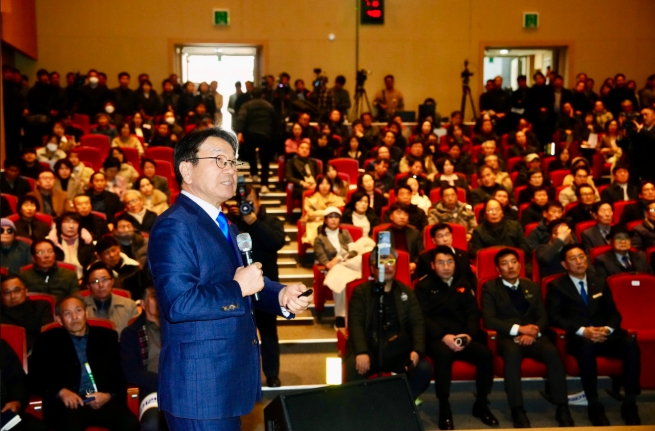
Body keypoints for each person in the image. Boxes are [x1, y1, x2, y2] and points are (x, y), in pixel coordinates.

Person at [147, 128, 311, 429]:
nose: (230, 170)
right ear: (186, 170)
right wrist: (237, 287)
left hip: (226, 381)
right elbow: (179, 304)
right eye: (219, 160)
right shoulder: (174, 225)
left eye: (233, 162)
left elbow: (246, 281)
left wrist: (280, 295)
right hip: (199, 389)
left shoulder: (225, 224)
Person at [546, 244, 642, 426]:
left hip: (603, 335)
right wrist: (583, 331)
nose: (579, 261)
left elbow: (614, 314)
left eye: (582, 257)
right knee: (588, 347)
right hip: (578, 338)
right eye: (573, 258)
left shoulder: (599, 282)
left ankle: (630, 403)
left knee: (630, 343)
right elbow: (554, 317)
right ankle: (594, 404)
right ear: (564, 264)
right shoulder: (557, 286)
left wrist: (607, 329)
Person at [481, 248, 573, 428]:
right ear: (498, 269)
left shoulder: (532, 286)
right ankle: (517, 409)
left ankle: (562, 406)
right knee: (512, 354)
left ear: (520, 265)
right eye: (505, 263)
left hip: (534, 336)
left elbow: (543, 316)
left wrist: (534, 332)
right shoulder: (490, 287)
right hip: (507, 337)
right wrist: (520, 329)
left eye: (514, 262)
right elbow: (489, 319)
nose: (510, 266)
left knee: (552, 352)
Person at [30, 295, 141, 431]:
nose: (74, 317)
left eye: (78, 310)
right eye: (68, 313)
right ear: (59, 319)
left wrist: (107, 395)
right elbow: (36, 376)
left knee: (131, 425)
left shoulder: (107, 337)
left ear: (86, 313)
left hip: (102, 400)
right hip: (67, 405)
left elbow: (119, 374)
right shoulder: (47, 341)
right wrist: (61, 391)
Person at [415, 246, 496, 429]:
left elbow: (473, 313)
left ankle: (482, 404)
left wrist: (469, 335)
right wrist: (444, 336)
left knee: (485, 354)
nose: (446, 267)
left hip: (462, 336)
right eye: (441, 262)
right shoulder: (423, 286)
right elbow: (422, 317)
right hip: (436, 339)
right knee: (444, 355)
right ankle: (444, 407)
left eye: (450, 262)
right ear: (433, 265)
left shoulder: (463, 283)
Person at [344, 247, 432, 400]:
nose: (387, 266)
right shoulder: (361, 292)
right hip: (370, 348)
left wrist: (417, 351)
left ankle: (401, 403)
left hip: (397, 349)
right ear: (372, 268)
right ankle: (359, 409)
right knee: (354, 367)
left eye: (390, 261)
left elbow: (417, 324)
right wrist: (361, 351)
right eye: (381, 262)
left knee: (424, 369)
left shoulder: (406, 292)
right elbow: (356, 324)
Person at [227, 184, 286, 387]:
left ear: (258, 201)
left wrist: (254, 222)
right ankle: (245, 378)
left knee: (268, 333)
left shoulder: (271, 221)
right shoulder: (232, 223)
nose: (246, 206)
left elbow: (276, 242)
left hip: (266, 288)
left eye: (250, 202)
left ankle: (272, 374)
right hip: (240, 289)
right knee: (241, 335)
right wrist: (234, 218)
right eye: (242, 202)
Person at [120, 287, 168, 431]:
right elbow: (131, 372)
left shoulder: (178, 328)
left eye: (162, 295)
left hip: (183, 387)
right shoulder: (131, 333)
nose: (160, 300)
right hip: (152, 389)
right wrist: (164, 384)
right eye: (154, 296)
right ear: (143, 303)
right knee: (153, 424)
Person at [313, 206, 359, 326]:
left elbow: (354, 251)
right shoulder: (319, 239)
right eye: (330, 217)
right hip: (334, 268)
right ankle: (340, 316)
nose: (333, 220)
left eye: (336, 217)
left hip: (349, 263)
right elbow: (326, 262)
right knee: (341, 279)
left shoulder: (345, 233)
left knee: (366, 242)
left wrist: (339, 257)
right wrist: (341, 257)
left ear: (340, 219)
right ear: (325, 220)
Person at [1, 338, 48, 431]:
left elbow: (16, 380)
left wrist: (16, 401)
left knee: (36, 428)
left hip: (4, 414)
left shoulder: (1, 347)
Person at [82, 261, 139, 336]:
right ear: (88, 286)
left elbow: (137, 335)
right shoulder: (81, 306)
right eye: (95, 281)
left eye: (104, 279)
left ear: (112, 281)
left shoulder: (129, 306)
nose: (101, 285)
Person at [416, 222, 477, 290]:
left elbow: (470, 277)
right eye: (440, 236)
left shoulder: (464, 255)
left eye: (447, 235)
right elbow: (423, 282)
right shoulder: (425, 258)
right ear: (433, 240)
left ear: (451, 236)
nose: (445, 239)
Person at [1, 273, 54, 351]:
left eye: (17, 290)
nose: (13, 296)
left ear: (26, 291)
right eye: (7, 292)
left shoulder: (41, 307)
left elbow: (49, 337)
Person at [95, 236, 147, 300]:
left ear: (119, 248)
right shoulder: (95, 273)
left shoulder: (134, 267)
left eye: (113, 250)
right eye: (106, 253)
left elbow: (143, 291)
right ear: (99, 256)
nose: (111, 255)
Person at [48, 211, 95, 278]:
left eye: (75, 222)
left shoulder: (86, 242)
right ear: (59, 225)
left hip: (82, 279)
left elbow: (92, 264)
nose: (71, 226)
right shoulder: (52, 244)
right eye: (67, 222)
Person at [301, 176, 345, 246]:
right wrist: (328, 212)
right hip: (315, 223)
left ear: (330, 185)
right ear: (318, 185)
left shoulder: (337, 199)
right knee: (319, 227)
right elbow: (310, 214)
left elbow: (339, 213)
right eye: (322, 184)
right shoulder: (311, 199)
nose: (324, 186)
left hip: (333, 222)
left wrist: (318, 214)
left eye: (327, 184)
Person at [380, 203, 424, 274]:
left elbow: (421, 253)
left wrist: (415, 264)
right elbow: (383, 257)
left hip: (412, 269)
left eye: (405, 214)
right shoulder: (384, 235)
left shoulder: (415, 233)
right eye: (399, 213)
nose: (402, 217)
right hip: (391, 269)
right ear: (391, 216)